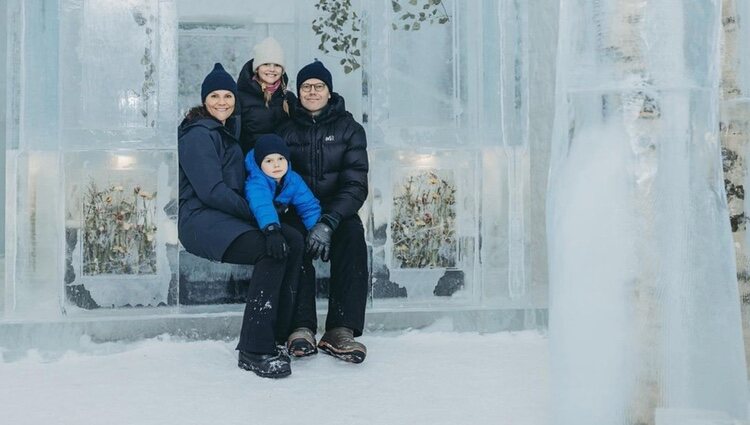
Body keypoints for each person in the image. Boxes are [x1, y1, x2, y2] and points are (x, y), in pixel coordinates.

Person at [178, 62, 304, 379]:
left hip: (223, 218)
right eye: (215, 96)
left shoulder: (224, 133)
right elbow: (212, 191)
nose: (222, 102)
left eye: (228, 96)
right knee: (269, 249)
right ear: (205, 100)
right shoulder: (199, 135)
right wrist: (260, 217)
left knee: (293, 239)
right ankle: (254, 348)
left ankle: (277, 333)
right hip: (201, 221)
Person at [276, 60, 370, 363]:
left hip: (337, 212)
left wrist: (329, 222)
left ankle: (340, 330)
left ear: (330, 92)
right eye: (306, 87)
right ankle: (300, 327)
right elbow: (275, 177)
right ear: (298, 92)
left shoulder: (350, 129)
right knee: (292, 241)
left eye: (319, 86)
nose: (312, 92)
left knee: (353, 238)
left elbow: (356, 184)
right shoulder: (285, 131)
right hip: (298, 210)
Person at [236, 37, 296, 155]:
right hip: (251, 165)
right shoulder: (240, 98)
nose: (272, 69)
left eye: (277, 65)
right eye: (266, 64)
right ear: (257, 68)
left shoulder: (289, 98)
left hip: (282, 165)